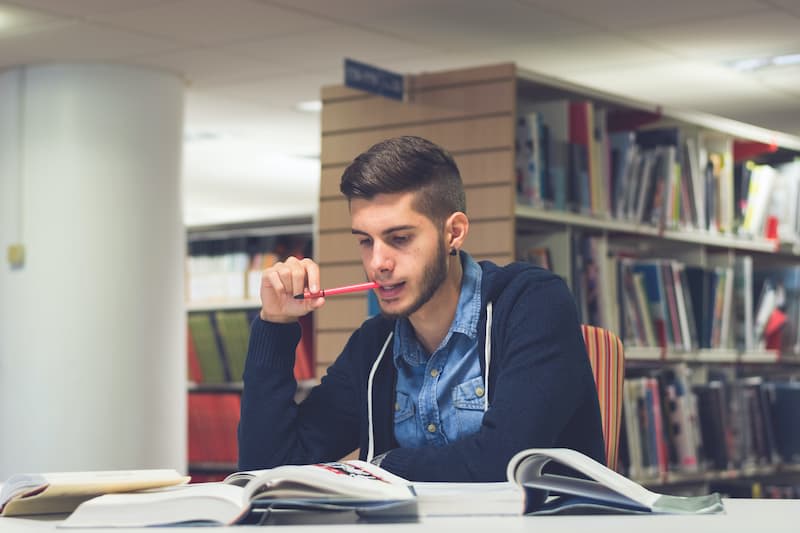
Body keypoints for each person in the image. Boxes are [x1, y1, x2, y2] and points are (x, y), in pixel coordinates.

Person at [238, 136, 605, 482]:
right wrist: (276, 323)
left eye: (399, 239)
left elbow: (506, 460)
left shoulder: (532, 302)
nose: (378, 262)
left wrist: (377, 468)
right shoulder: (374, 344)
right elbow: (267, 471)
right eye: (365, 241)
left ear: (454, 233)